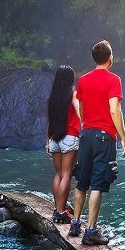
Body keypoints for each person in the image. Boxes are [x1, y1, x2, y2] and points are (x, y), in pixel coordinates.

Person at [70, 40, 125, 245]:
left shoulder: (84, 80)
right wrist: (123, 137)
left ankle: (75, 224)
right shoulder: (114, 80)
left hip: (86, 134)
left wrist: (84, 123)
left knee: (81, 180)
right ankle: (91, 231)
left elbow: (79, 104)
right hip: (105, 136)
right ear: (110, 59)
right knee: (97, 182)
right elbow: (115, 109)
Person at [46, 65, 81, 224]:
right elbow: (78, 108)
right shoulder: (73, 94)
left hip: (54, 139)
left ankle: (57, 209)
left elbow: (50, 121)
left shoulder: (53, 97)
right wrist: (85, 122)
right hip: (69, 137)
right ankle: (61, 212)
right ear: (70, 79)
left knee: (58, 174)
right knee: (67, 175)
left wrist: (47, 141)